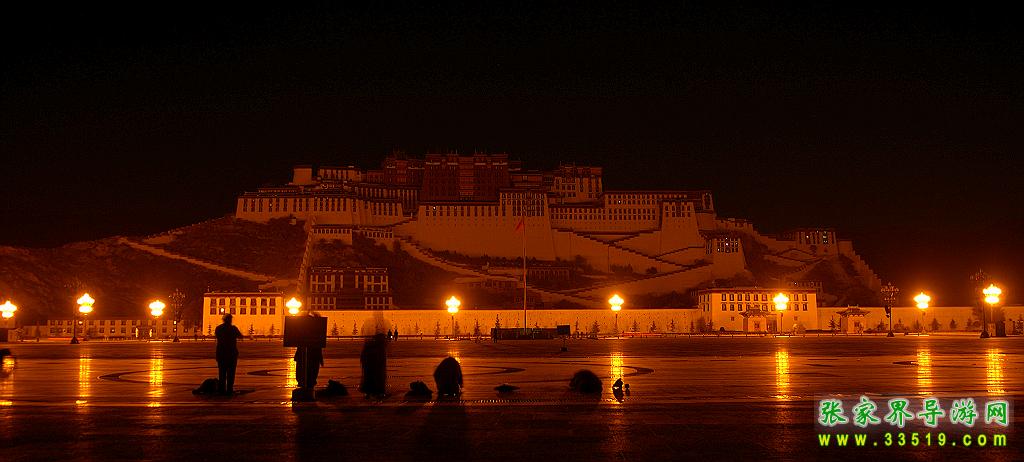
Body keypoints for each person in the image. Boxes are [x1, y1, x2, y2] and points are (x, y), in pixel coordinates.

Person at [214, 314, 243, 395]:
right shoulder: (233, 328)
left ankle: (222, 389)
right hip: (231, 353)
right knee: (231, 373)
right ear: (230, 320)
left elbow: (217, 337)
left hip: (221, 353)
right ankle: (229, 389)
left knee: (222, 373)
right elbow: (240, 336)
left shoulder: (219, 328)